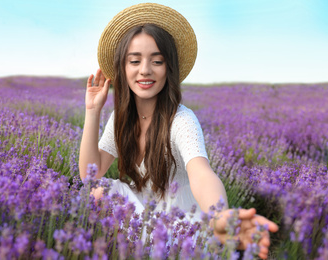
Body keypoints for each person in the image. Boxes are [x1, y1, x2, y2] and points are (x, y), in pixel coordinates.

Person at [79, 3, 278, 259]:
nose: (145, 70)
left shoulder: (181, 119)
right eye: (135, 60)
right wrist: (92, 110)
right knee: (97, 191)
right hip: (142, 212)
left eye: (157, 61)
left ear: (168, 68)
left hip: (180, 224)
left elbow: (201, 173)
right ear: (122, 67)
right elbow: (89, 175)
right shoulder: (122, 118)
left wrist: (219, 216)